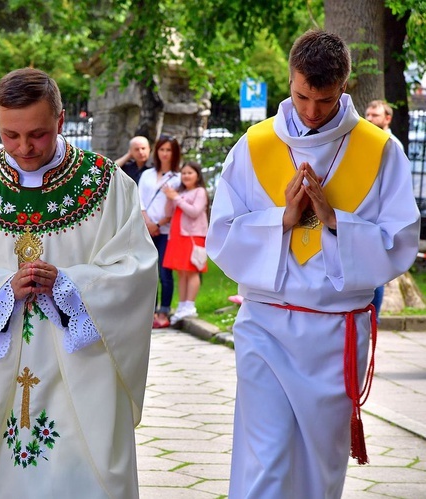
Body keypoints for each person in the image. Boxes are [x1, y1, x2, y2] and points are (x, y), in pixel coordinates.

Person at [0, 68, 158, 498]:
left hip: (79, 371)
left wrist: (70, 285)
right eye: (10, 136)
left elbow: (135, 271)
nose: (24, 148)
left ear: (61, 121)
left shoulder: (106, 186)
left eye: (38, 135)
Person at [206, 29, 420, 498]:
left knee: (319, 467)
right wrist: (282, 219)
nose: (310, 111)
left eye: (323, 100)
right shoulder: (255, 145)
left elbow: (401, 241)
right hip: (264, 324)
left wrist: (334, 220)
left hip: (334, 332)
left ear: (344, 86)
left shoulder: (381, 150)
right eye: (302, 95)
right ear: (290, 78)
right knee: (267, 455)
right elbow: (220, 234)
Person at [366, 99, 406, 320]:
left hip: (380, 217)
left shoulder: (392, 145)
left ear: (387, 118)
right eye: (368, 115)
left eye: (375, 115)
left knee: (375, 273)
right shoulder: (365, 141)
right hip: (365, 215)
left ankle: (373, 319)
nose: (370, 119)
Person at [139, 136, 182, 328]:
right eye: (162, 149)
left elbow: (177, 205)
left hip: (166, 230)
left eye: (169, 150)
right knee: (148, 272)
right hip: (146, 228)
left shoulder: (178, 177)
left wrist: (159, 223)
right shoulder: (147, 174)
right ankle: (149, 312)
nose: (165, 153)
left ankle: (164, 310)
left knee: (165, 272)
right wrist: (148, 222)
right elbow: (139, 199)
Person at [163, 161, 209, 323]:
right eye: (184, 173)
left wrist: (176, 198)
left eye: (190, 173)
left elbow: (194, 212)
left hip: (193, 235)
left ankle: (190, 305)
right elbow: (168, 212)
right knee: (181, 271)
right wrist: (170, 198)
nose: (186, 176)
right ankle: (182, 305)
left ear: (197, 175)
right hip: (177, 235)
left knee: (192, 270)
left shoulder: (200, 191)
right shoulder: (180, 192)